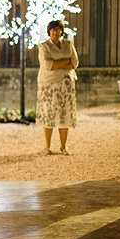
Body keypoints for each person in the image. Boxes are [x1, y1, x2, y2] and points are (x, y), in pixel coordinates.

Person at [36, 20, 79, 155]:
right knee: (49, 114)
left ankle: (63, 146)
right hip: (49, 86)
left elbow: (75, 63)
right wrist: (64, 62)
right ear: (49, 31)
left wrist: (58, 63)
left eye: (58, 29)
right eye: (53, 30)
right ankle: (47, 147)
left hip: (66, 85)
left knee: (64, 115)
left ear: (62, 31)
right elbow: (48, 65)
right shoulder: (44, 46)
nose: (55, 32)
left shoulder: (68, 44)